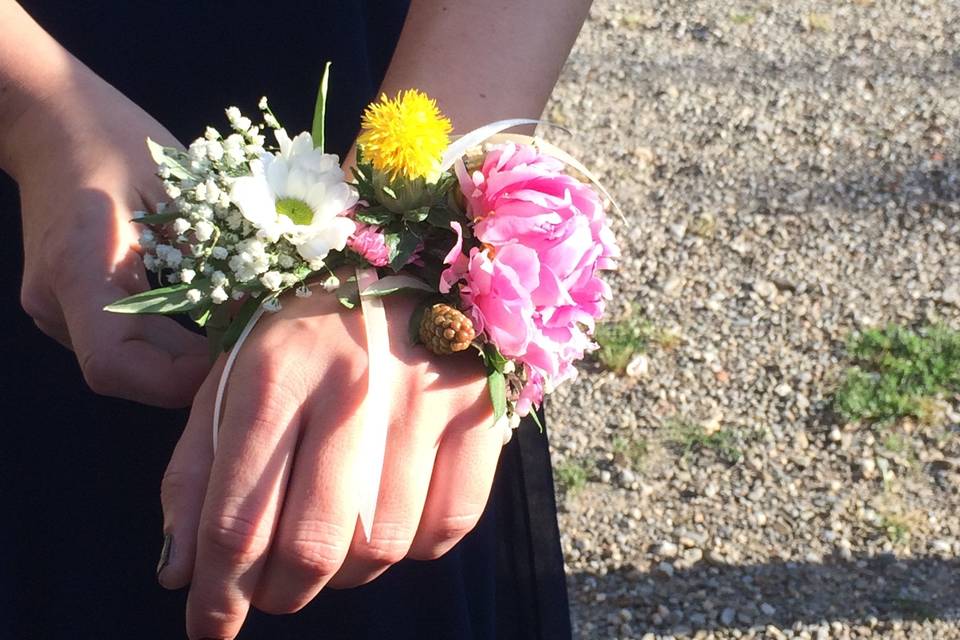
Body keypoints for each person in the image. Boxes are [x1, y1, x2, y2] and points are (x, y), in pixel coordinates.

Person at [0, 1, 591, 638]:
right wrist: (33, 105)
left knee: (356, 509)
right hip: (50, 177)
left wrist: (414, 249)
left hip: (405, 100)